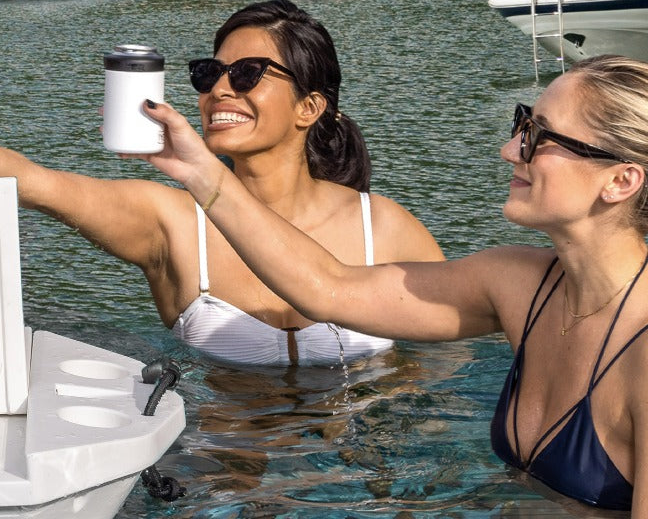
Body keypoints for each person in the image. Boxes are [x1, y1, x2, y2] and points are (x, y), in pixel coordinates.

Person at [139, 54, 648, 510]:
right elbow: (326, 287)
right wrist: (201, 172)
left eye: (539, 136)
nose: (510, 149)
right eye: (521, 124)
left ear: (620, 180)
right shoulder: (521, 283)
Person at [0, 0, 443, 367]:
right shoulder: (171, 224)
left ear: (310, 106)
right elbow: (35, 182)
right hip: (220, 474)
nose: (220, 90)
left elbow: (446, 364)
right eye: (209, 73)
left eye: (247, 74)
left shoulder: (385, 230)